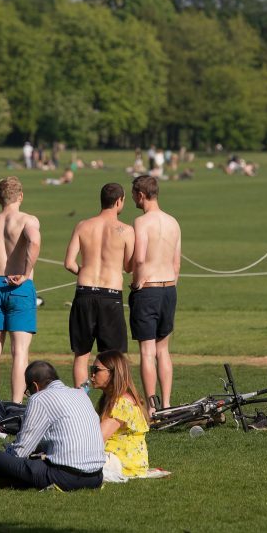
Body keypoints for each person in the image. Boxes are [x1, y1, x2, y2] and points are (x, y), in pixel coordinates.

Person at [0, 361, 104, 491]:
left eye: (28, 391)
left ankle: (14, 480)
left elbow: (21, 451)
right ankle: (16, 481)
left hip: (65, 477)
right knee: (32, 463)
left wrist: (7, 455)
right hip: (96, 477)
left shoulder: (39, 399)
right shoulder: (81, 394)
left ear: (35, 386)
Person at [0, 177, 41, 402]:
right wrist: (25, 271)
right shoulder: (27, 219)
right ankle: (15, 404)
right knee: (19, 352)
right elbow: (34, 241)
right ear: (20, 196)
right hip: (20, 287)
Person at [64, 183, 135, 388]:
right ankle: (112, 403)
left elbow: (69, 263)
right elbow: (129, 267)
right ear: (119, 201)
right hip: (110, 295)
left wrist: (85, 272)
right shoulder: (126, 231)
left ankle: (81, 404)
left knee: (81, 354)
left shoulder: (83, 225)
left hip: (84, 292)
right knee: (113, 357)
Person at [129, 175, 181, 413]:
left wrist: (137, 281)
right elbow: (177, 263)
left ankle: (151, 407)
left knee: (147, 351)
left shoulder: (141, 223)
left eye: (133, 195)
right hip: (169, 288)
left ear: (141, 195)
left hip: (148, 289)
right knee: (163, 350)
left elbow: (139, 258)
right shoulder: (173, 222)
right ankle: (167, 403)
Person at [90, 350, 149, 478]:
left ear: (113, 373)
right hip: (120, 461)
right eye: (91, 369)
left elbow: (96, 440)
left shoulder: (121, 403)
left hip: (123, 465)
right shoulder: (110, 399)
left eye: (96, 370)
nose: (92, 375)